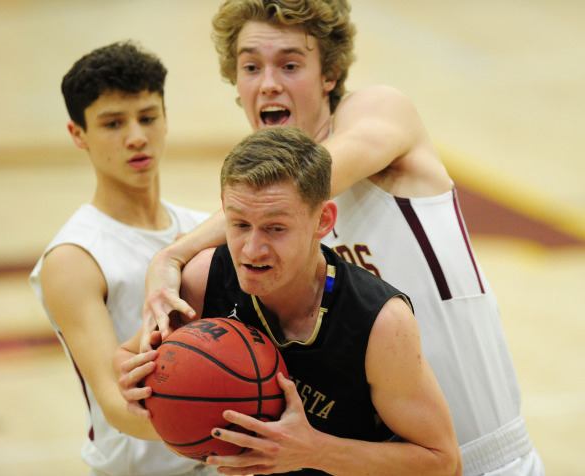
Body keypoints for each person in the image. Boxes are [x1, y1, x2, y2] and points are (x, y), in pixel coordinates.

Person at [140, 2, 545, 475]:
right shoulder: (261, 212)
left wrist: (175, 251)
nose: (268, 83)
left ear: (329, 73)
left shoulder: (379, 112)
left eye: (289, 65)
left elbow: (312, 175)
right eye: (251, 66)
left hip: (481, 455)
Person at [117, 126, 462, 475]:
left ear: (323, 220)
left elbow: (443, 462)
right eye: (239, 225)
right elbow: (127, 355)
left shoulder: (380, 322)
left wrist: (317, 452)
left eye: (276, 228)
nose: (252, 250)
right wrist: (138, 386)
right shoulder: (204, 279)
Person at [29, 41, 217, 476]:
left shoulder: (199, 229)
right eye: (113, 123)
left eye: (148, 117)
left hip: (224, 462)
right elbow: (116, 405)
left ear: (166, 119)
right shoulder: (74, 257)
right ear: (78, 134)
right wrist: (224, 418)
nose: (136, 136)